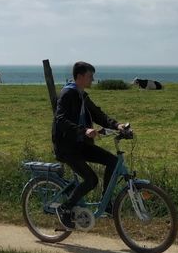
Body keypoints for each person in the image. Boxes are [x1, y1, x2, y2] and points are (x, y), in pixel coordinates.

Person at [52, 61, 127, 229]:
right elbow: (60, 120)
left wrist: (117, 125)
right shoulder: (67, 94)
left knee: (113, 162)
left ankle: (106, 203)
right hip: (67, 147)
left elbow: (98, 114)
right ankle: (65, 208)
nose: (93, 79)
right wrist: (83, 131)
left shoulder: (82, 95)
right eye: (90, 76)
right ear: (79, 77)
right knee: (91, 180)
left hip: (81, 145)